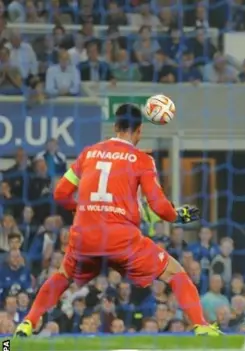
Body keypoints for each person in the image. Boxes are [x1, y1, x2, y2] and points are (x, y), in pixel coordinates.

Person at [14, 104, 222, 337]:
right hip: (121, 238)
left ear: (115, 127)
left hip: (86, 236)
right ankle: (201, 326)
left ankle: (28, 323)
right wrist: (177, 216)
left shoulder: (88, 153)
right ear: (139, 130)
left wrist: (82, 208)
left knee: (62, 275)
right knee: (175, 273)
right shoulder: (142, 160)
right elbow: (159, 205)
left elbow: (60, 194)